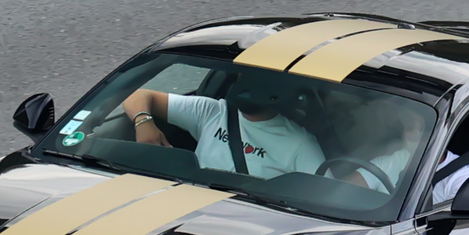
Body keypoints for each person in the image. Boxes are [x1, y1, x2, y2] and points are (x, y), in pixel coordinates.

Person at [122, 76, 324, 181]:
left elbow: (325, 195)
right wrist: (144, 123)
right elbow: (137, 96)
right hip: (188, 204)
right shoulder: (212, 111)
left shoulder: (300, 144)